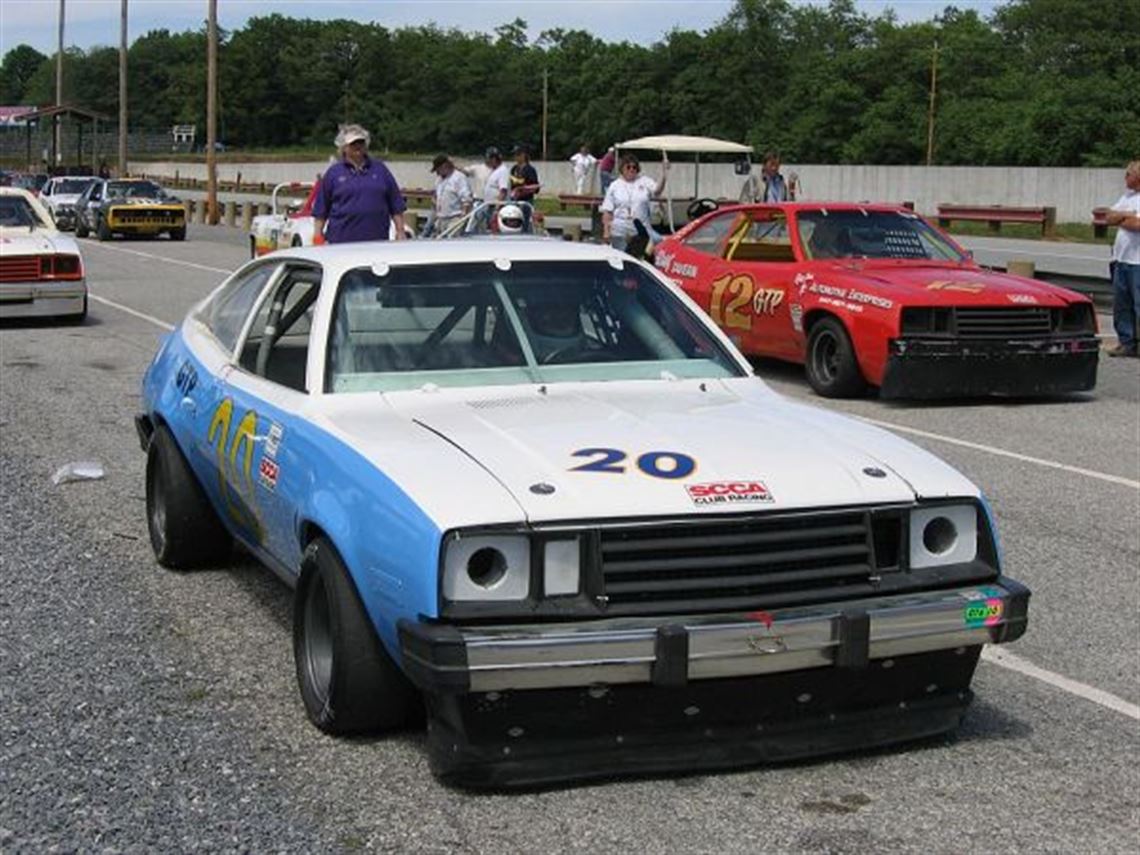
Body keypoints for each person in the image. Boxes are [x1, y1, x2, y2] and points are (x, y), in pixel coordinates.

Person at [312, 124, 407, 244]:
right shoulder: (333, 173)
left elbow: (396, 205)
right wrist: (317, 236)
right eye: (353, 143)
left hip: (377, 242)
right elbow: (321, 210)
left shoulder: (380, 169)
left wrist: (400, 231)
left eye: (361, 142)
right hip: (340, 243)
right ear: (344, 147)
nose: (358, 146)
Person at [1105, 159, 1140, 357]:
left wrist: (1122, 219)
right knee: (1122, 304)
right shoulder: (1128, 196)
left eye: (1128, 174)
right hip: (1121, 260)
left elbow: (1138, 225)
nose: (1125, 178)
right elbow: (1108, 217)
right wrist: (1126, 215)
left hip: (1138, 262)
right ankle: (1126, 342)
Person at [600, 152, 669, 252]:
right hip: (620, 229)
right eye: (628, 167)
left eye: (634, 167)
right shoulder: (614, 186)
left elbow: (657, 191)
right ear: (622, 169)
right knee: (625, 256)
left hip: (642, 228)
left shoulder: (644, 181)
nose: (632, 169)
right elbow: (607, 211)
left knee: (658, 244)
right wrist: (606, 232)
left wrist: (664, 174)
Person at [468, 147, 511, 234]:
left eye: (489, 159)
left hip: (496, 208)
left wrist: (496, 209)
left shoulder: (503, 171)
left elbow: (503, 191)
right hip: (489, 206)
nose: (488, 162)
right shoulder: (496, 171)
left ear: (494, 159)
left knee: (493, 230)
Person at [428, 154, 472, 237]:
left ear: (444, 166)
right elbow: (436, 194)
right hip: (441, 218)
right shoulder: (439, 179)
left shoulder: (459, 178)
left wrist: (463, 216)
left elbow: (466, 199)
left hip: (454, 218)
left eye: (438, 170)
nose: (437, 173)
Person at [509, 143, 540, 233]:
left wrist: (523, 191)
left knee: (525, 222)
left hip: (526, 201)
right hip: (514, 201)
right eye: (514, 155)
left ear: (523, 155)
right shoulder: (514, 169)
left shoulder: (530, 170)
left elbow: (535, 188)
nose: (515, 157)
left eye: (517, 154)